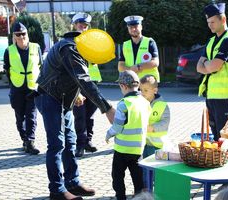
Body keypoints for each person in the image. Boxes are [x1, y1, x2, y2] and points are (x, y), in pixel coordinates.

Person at [34, 30, 115, 199]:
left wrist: (76, 94)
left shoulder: (76, 47)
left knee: (70, 142)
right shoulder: (70, 49)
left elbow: (68, 74)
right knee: (56, 145)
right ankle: (57, 190)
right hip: (49, 99)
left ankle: (73, 183)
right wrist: (106, 108)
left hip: (62, 100)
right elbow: (84, 79)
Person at [196, 3, 228, 141]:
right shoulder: (210, 41)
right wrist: (208, 65)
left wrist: (208, 65)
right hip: (211, 95)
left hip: (225, 97)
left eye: (213, 22)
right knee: (215, 136)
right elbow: (199, 67)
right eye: (208, 22)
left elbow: (214, 66)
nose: (210, 25)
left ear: (223, 19)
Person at [106, 70, 151, 200]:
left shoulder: (123, 104)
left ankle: (120, 197)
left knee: (118, 176)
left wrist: (108, 134)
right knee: (137, 178)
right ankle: (140, 197)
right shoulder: (145, 102)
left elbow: (117, 127)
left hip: (122, 149)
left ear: (123, 86)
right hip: (137, 149)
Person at [3, 21, 42, 155]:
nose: (21, 37)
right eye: (18, 34)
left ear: (27, 34)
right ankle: (24, 139)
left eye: (23, 34)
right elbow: (7, 69)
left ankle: (30, 141)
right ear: (14, 36)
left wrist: (40, 85)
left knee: (31, 115)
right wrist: (13, 82)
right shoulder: (9, 50)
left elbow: (41, 67)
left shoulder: (35, 47)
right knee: (20, 116)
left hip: (32, 86)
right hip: (17, 87)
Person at [71, 13, 103, 157]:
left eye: (85, 26)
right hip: (77, 84)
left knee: (90, 115)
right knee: (79, 115)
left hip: (93, 82)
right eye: (80, 25)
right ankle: (80, 145)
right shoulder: (70, 42)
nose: (83, 28)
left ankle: (88, 141)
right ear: (74, 25)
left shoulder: (92, 42)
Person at [139, 75, 170, 188]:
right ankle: (146, 190)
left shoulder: (162, 105)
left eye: (146, 90)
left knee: (155, 170)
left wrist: (152, 127)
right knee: (144, 169)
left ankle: (157, 191)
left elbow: (165, 123)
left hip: (157, 145)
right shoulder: (141, 102)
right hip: (144, 144)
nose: (142, 93)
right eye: (141, 90)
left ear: (155, 90)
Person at [118, 15, 160, 82]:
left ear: (141, 27)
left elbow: (155, 62)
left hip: (148, 83)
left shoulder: (150, 42)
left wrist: (138, 67)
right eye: (130, 27)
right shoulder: (125, 45)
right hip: (131, 83)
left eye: (135, 26)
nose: (133, 29)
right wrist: (131, 69)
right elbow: (120, 66)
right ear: (128, 29)